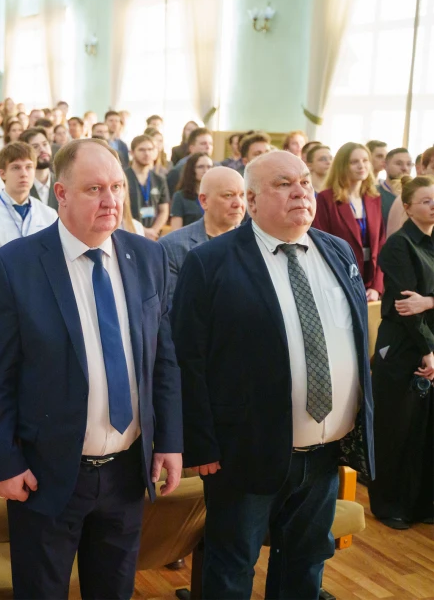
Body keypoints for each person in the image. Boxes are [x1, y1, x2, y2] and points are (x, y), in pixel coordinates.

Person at [0, 138, 182, 598]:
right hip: (46, 475)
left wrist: (169, 440)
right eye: (94, 189)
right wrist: (4, 463)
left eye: (117, 187)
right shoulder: (16, 265)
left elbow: (163, 359)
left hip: (127, 471)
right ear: (61, 194)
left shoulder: (148, 256)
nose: (111, 200)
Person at [171, 150, 374, 600]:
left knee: (305, 562)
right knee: (232, 565)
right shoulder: (211, 262)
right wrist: (200, 443)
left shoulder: (337, 250)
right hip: (244, 450)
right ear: (251, 200)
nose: (300, 191)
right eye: (283, 184)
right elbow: (187, 358)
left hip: (323, 451)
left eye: (304, 182)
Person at [368, 174, 434, 530]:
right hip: (402, 347)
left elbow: (423, 303)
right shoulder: (399, 245)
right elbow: (408, 307)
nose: (433, 206)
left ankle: (421, 503)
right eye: (426, 201)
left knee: (425, 431)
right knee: (396, 428)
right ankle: (389, 504)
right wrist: (428, 351)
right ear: (407, 207)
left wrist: (431, 301)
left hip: (429, 345)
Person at [0, 141, 58, 332]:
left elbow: (56, 266)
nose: (24, 173)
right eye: (16, 167)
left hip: (41, 315)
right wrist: (15, 298)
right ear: (3, 173)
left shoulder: (49, 215)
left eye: (29, 167)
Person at [160, 167, 246, 302]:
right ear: (204, 201)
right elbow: (171, 307)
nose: (238, 204)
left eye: (242, 195)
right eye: (228, 195)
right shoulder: (173, 246)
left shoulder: (254, 243)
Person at [313, 142, 385, 301]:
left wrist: (376, 287)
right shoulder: (326, 198)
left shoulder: (374, 198)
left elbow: (381, 244)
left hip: (370, 282)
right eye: (354, 162)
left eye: (365, 160)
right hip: (339, 282)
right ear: (342, 166)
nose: (361, 166)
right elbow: (321, 245)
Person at [126, 134, 169, 239]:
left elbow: (164, 210)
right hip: (129, 234)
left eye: (150, 149)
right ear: (132, 153)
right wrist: (142, 231)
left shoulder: (159, 180)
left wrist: (153, 231)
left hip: (152, 236)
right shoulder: (123, 178)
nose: (147, 153)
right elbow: (122, 212)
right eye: (142, 150)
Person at [169, 152, 212, 230]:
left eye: (209, 167)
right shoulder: (180, 196)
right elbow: (176, 230)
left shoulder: (216, 195)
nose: (205, 171)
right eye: (200, 167)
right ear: (191, 170)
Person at [20, 128, 58, 211]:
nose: (42, 150)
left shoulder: (63, 183)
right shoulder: (20, 187)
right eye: (35, 147)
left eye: (45, 144)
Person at [167, 126, 213, 194]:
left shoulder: (217, 167)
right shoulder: (179, 170)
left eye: (210, 144)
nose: (208, 147)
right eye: (203, 144)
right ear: (191, 148)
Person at [379, 148, 414, 222]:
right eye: (399, 164)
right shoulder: (375, 194)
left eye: (409, 164)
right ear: (385, 165)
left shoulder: (416, 194)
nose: (405, 168)